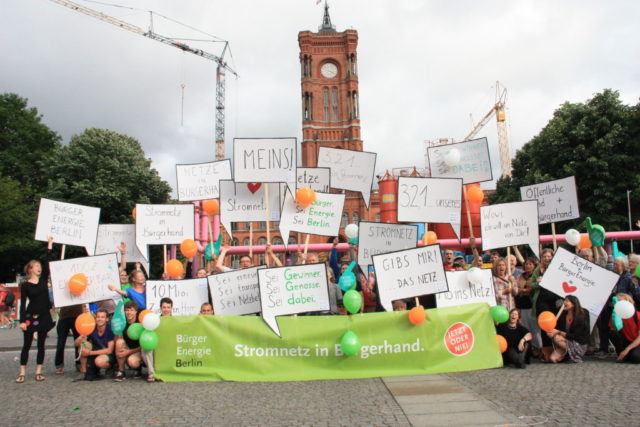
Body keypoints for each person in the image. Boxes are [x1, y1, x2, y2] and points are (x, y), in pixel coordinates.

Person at [16, 236, 54, 383]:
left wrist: (49, 246)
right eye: (36, 266)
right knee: (26, 345)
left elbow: (48, 263)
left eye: (39, 265)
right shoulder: (25, 285)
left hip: (44, 315)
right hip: (31, 316)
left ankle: (38, 371)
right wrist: (22, 321)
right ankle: (22, 372)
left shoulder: (43, 280)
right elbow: (23, 304)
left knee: (41, 345)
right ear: (30, 269)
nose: (39, 267)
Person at [530, 248, 562, 361]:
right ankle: (547, 352)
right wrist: (538, 283)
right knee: (545, 326)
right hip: (542, 300)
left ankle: (559, 350)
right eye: (544, 256)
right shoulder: (537, 269)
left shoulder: (557, 268)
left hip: (555, 300)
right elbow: (531, 285)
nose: (547, 258)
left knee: (557, 325)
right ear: (541, 258)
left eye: (549, 256)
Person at [74, 309, 115, 381]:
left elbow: (109, 350)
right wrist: (81, 338)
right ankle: (84, 371)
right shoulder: (92, 327)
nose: (100, 319)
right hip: (96, 350)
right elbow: (75, 344)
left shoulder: (110, 330)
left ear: (107, 319)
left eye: (102, 317)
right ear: (95, 318)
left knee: (99, 362)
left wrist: (90, 353)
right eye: (98, 317)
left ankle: (111, 367)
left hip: (107, 354)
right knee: (83, 345)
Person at [547, 295, 590, 363]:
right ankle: (567, 354)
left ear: (573, 304)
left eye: (567, 301)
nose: (564, 302)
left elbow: (576, 336)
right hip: (567, 341)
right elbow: (558, 328)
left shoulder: (581, 317)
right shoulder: (563, 315)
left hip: (578, 343)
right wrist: (551, 332)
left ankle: (572, 355)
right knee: (552, 359)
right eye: (564, 300)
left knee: (557, 338)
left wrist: (558, 332)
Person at [515, 257, 541, 350]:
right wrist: (522, 290)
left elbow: (532, 289)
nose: (528, 266)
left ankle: (538, 347)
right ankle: (529, 348)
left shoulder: (536, 276)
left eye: (530, 264)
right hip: (521, 305)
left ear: (534, 266)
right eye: (526, 264)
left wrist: (523, 290)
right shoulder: (520, 276)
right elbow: (516, 289)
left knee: (535, 328)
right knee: (525, 328)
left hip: (532, 305)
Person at [114, 301, 143, 381]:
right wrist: (117, 333)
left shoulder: (140, 324)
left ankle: (138, 368)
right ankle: (121, 371)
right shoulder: (122, 323)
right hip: (127, 347)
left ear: (136, 311)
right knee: (119, 342)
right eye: (127, 310)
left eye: (131, 310)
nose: (129, 313)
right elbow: (116, 342)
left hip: (138, 350)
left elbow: (144, 346)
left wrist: (128, 352)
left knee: (132, 362)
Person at [609, 293, 640, 363]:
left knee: (636, 358)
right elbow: (613, 331)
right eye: (616, 301)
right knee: (613, 333)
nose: (618, 303)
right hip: (626, 341)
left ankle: (626, 354)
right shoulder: (616, 315)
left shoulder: (638, 315)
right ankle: (622, 353)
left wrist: (627, 349)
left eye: (620, 301)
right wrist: (615, 321)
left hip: (637, 342)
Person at [54, 303, 83, 375]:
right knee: (61, 343)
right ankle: (59, 365)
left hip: (78, 316)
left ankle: (79, 363)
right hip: (64, 316)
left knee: (79, 342)